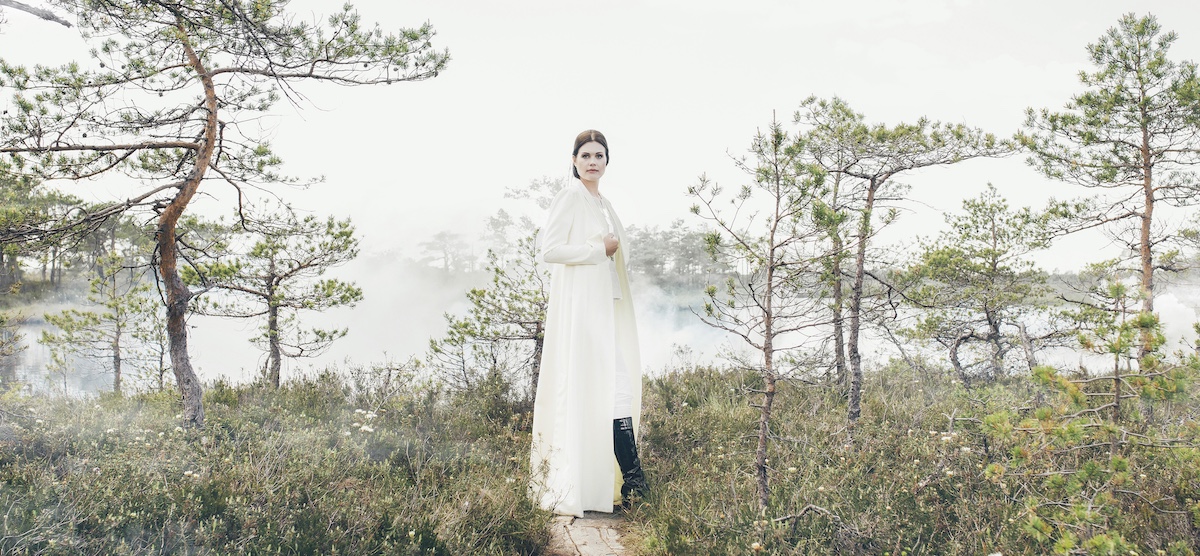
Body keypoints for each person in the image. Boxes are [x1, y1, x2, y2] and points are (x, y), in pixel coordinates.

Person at [529, 129, 648, 516]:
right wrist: (599, 249)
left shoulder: (605, 204)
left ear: (607, 162)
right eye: (586, 155)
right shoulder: (570, 197)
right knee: (598, 389)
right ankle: (632, 482)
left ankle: (628, 480)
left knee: (616, 390)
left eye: (599, 155)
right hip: (582, 312)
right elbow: (550, 250)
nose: (593, 161)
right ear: (575, 161)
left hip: (606, 308)